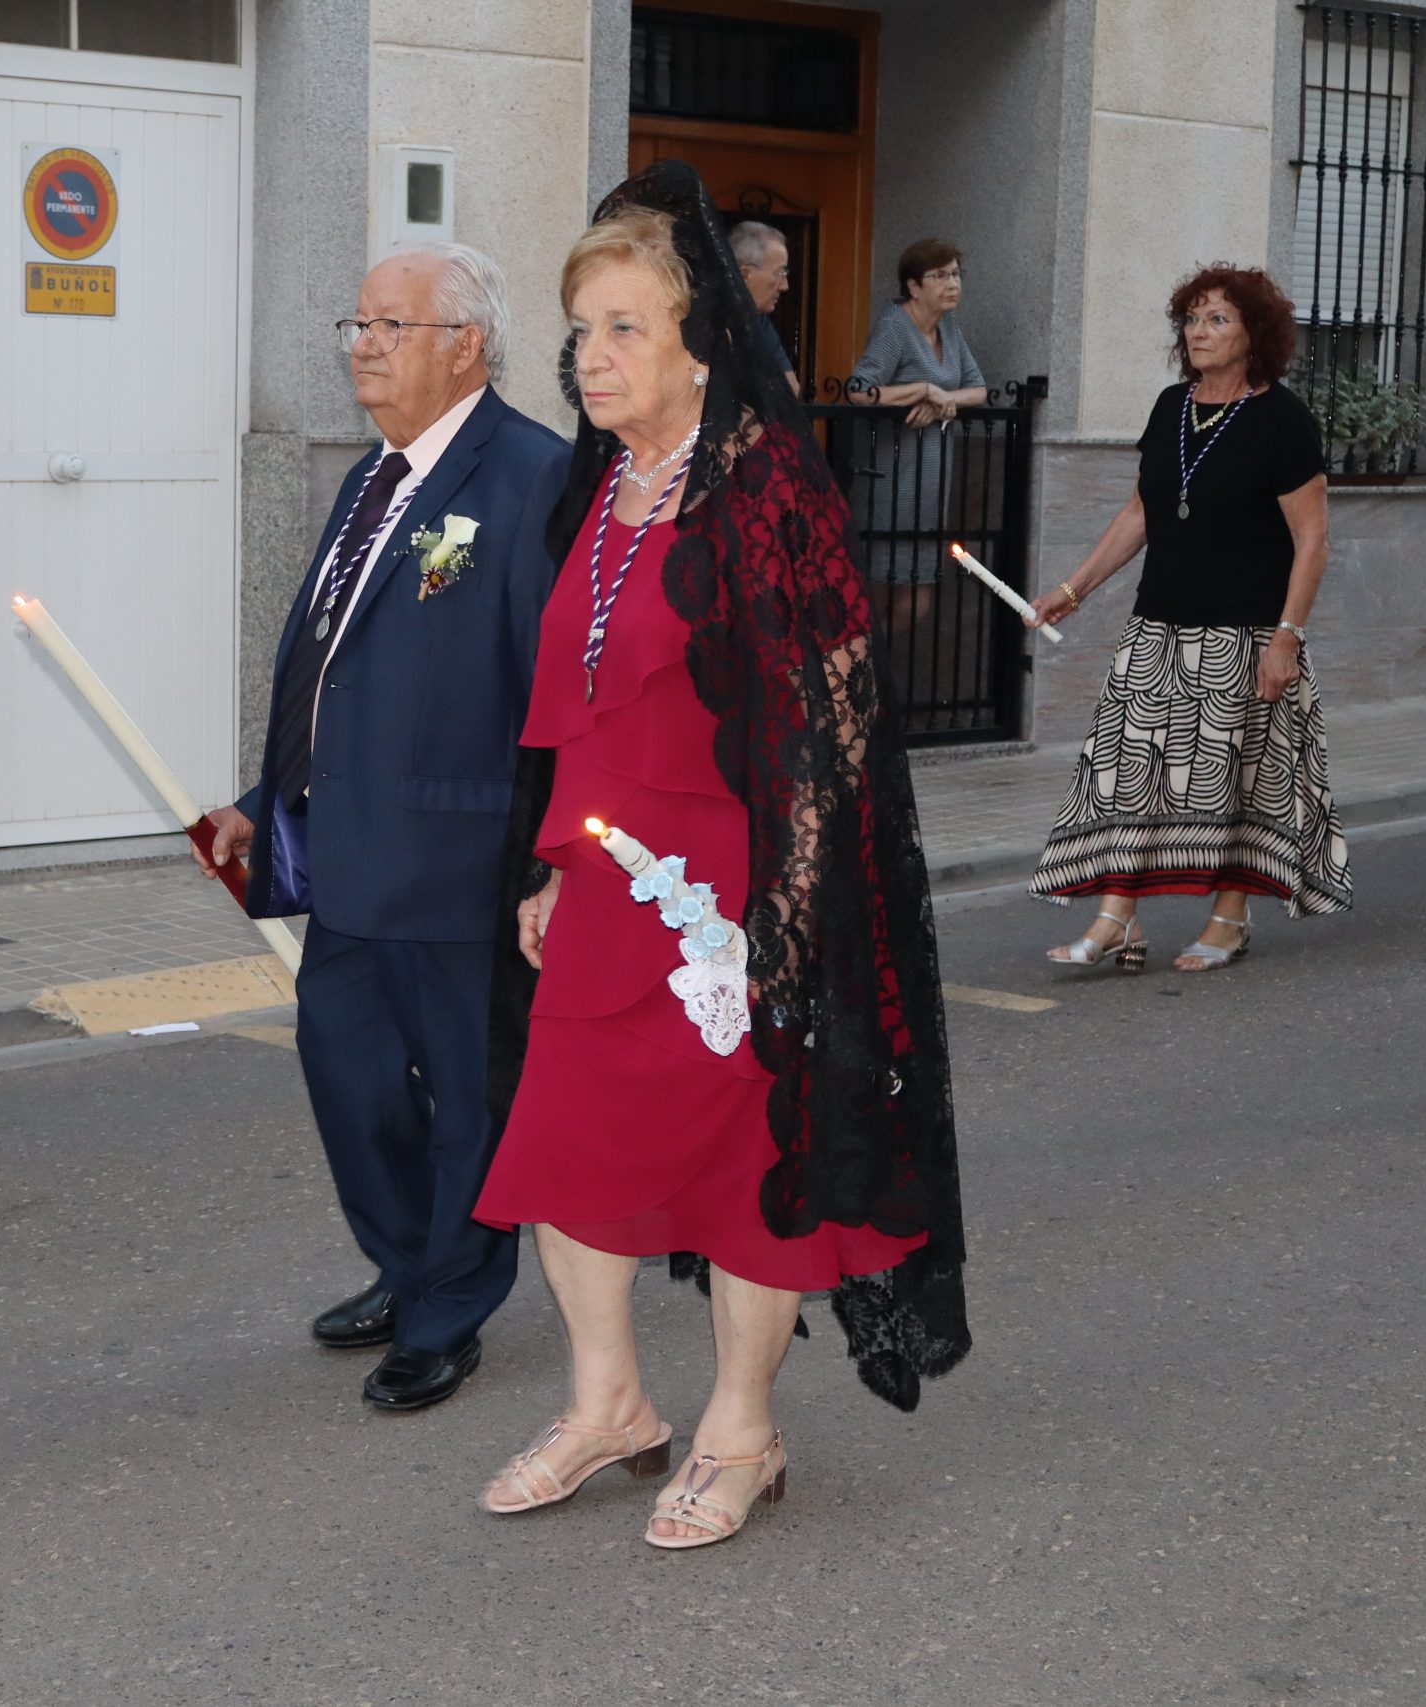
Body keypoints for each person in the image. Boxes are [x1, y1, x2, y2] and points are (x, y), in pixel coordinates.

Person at [471, 163, 970, 1550]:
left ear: (701, 344)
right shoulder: (604, 488)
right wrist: (553, 867)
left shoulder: (764, 489)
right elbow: (581, 710)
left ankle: (742, 1428)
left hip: (737, 894)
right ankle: (610, 1404)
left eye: (624, 326)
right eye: (582, 329)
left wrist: (793, 912)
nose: (592, 355)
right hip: (607, 888)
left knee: (752, 1158)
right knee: (565, 1145)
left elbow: (833, 714)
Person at [196, 244, 569, 1412]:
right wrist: (265, 801)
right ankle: (406, 1267)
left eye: (387, 326)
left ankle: (447, 1308)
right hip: (350, 853)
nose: (361, 345)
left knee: (467, 1099)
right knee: (350, 1082)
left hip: (464, 858)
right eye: (356, 324)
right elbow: (333, 664)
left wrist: (552, 860)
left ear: (465, 346)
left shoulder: (532, 478)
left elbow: (557, 694)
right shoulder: (373, 477)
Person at [1028, 264, 1352, 971]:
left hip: (1245, 634)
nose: (1199, 332)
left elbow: (1313, 541)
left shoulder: (1283, 421)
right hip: (1158, 626)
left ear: (1253, 334)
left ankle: (1228, 922)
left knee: (1237, 783)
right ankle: (1116, 919)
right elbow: (1140, 512)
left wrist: (1286, 638)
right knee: (1124, 772)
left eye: (1217, 319)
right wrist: (1072, 590)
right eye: (1192, 318)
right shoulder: (1171, 406)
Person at [848, 239, 988, 639]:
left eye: (956, 274)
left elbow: (978, 390)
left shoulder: (949, 327)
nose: (952, 283)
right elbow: (859, 390)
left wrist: (943, 402)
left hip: (929, 485)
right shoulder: (895, 326)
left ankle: (878, 671)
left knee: (916, 603)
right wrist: (923, 390)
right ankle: (858, 672)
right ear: (913, 286)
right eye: (940, 275)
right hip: (889, 482)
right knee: (874, 597)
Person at [727, 219, 801, 395]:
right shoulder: (706, 316)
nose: (785, 286)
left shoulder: (758, 320)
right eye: (779, 273)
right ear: (745, 274)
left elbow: (791, 389)